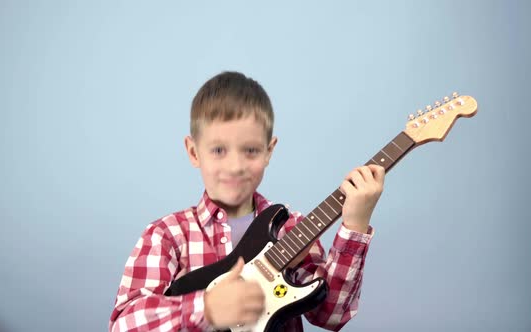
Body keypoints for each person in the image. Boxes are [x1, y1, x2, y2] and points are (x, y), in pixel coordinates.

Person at [109, 71, 385, 331]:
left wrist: (355, 225)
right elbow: (124, 324)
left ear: (269, 151)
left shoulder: (291, 228)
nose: (235, 166)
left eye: (250, 151)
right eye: (218, 150)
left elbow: (330, 315)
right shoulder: (166, 235)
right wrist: (207, 309)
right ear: (194, 152)